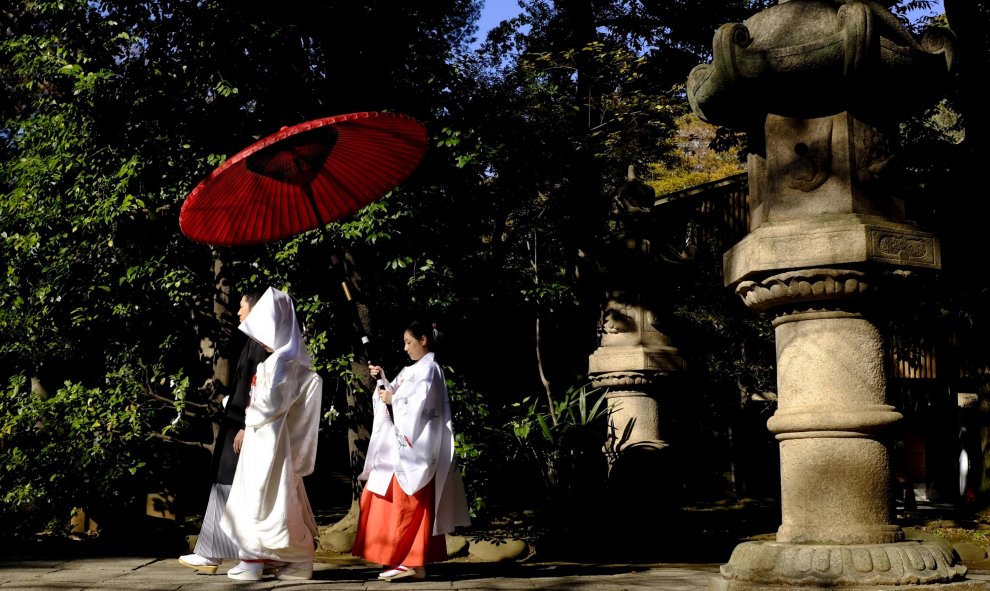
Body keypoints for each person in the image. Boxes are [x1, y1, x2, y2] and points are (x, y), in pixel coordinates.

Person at [353, 320, 471, 581]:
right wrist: (383, 380)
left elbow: (418, 404)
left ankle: (412, 561)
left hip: (416, 450)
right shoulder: (412, 371)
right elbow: (392, 394)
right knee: (384, 500)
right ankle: (406, 561)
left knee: (407, 505)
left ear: (424, 340)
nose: (405, 348)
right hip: (401, 448)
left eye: (409, 342)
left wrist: (393, 398)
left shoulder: (431, 370)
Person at [218, 287, 323, 581]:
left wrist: (238, 407)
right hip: (265, 441)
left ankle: (256, 560)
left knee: (262, 500)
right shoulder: (283, 359)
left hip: (268, 444)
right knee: (266, 500)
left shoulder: (284, 362)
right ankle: (289, 560)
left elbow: (273, 404)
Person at [179, 291, 268, 575]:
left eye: (242, 307)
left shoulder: (261, 345)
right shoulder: (254, 342)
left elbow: (258, 388)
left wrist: (244, 423)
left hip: (244, 422)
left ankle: (212, 552)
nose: (238, 312)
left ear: (254, 309)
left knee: (228, 483)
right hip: (239, 420)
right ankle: (217, 551)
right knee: (229, 484)